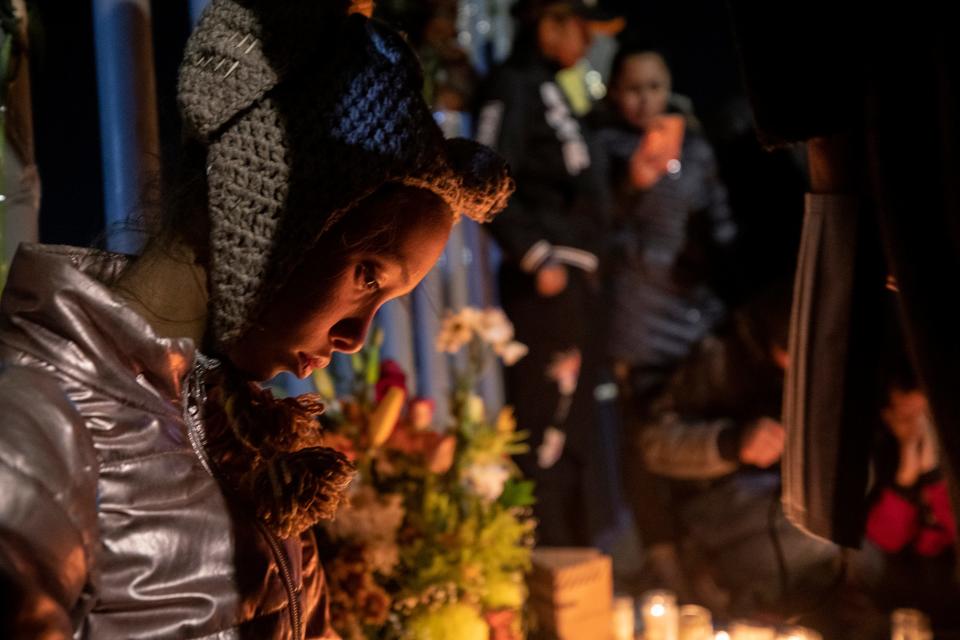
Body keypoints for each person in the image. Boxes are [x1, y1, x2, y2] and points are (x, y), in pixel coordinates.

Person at [0, 1, 513, 637]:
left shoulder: (240, 433)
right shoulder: (36, 417)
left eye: (384, 302)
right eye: (368, 277)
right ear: (270, 215)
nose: (355, 339)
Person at [474, 0, 613, 546]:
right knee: (543, 425)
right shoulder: (512, 84)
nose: (587, 41)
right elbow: (484, 170)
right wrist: (534, 254)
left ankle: (576, 559)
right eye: (581, 26)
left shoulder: (559, 91)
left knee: (574, 426)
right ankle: (540, 557)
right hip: (546, 284)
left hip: (578, 281)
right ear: (548, 22)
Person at [634, 283, 839, 617]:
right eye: (798, 354)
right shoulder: (721, 358)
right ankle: (716, 585)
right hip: (708, 503)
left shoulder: (808, 374)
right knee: (821, 535)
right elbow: (653, 444)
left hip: (771, 498)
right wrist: (731, 444)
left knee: (850, 539)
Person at [593, 44, 736, 398]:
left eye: (654, 87)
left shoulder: (696, 148)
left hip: (694, 302)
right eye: (634, 89)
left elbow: (721, 220)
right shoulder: (599, 144)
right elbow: (591, 222)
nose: (645, 99)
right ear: (614, 91)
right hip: (637, 308)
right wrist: (631, 186)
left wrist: (718, 254)